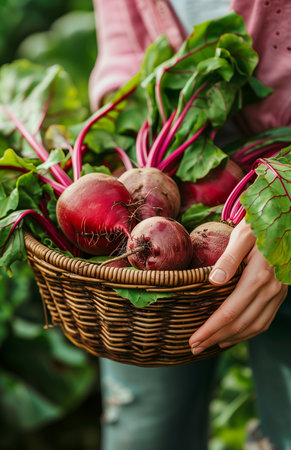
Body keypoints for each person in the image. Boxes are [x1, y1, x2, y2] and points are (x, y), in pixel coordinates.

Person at [89, 1, 291, 449]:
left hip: (280, 176)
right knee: (143, 432)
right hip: (168, 180)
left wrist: (282, 209)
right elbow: (121, 40)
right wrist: (121, 128)